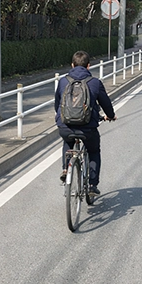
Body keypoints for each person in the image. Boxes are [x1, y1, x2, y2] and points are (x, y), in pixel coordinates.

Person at [54, 50, 116, 195]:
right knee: (94, 151)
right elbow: (106, 104)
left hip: (65, 126)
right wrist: (110, 116)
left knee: (67, 140)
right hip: (87, 128)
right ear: (88, 66)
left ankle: (65, 168)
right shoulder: (95, 83)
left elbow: (57, 104)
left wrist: (61, 119)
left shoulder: (63, 81)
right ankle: (92, 185)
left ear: (72, 65)